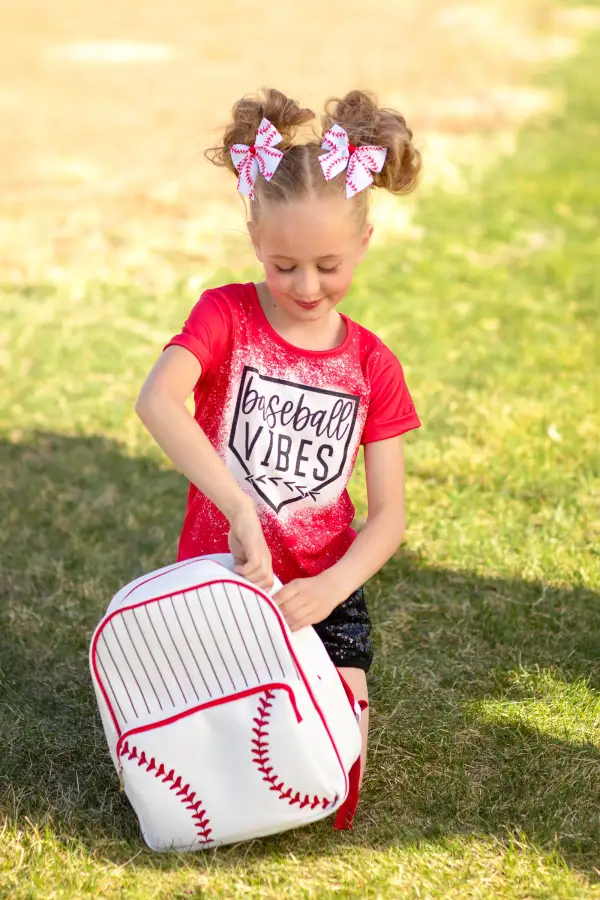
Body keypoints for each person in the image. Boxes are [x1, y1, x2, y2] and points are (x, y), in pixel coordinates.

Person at [135, 88, 422, 785]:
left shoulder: (373, 365)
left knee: (329, 777)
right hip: (221, 579)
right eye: (284, 264)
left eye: (329, 266)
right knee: (203, 771)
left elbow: (389, 517)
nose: (306, 284)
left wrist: (331, 588)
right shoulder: (226, 315)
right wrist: (238, 508)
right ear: (256, 243)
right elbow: (158, 400)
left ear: (363, 243)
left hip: (325, 591)